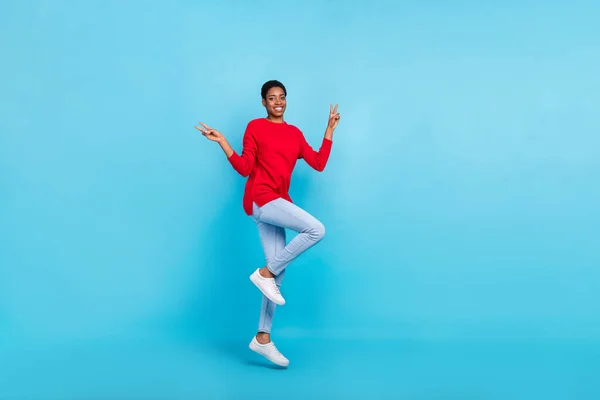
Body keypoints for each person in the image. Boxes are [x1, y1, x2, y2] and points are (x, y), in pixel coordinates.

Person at [195, 80, 340, 367]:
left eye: (282, 97)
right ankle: (264, 272)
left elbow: (319, 163)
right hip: (261, 199)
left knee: (277, 276)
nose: (278, 101)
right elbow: (245, 168)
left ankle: (262, 337)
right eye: (272, 97)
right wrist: (223, 142)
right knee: (316, 230)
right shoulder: (255, 127)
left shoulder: (294, 134)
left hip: (277, 203)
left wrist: (329, 130)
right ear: (263, 102)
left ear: (286, 101)